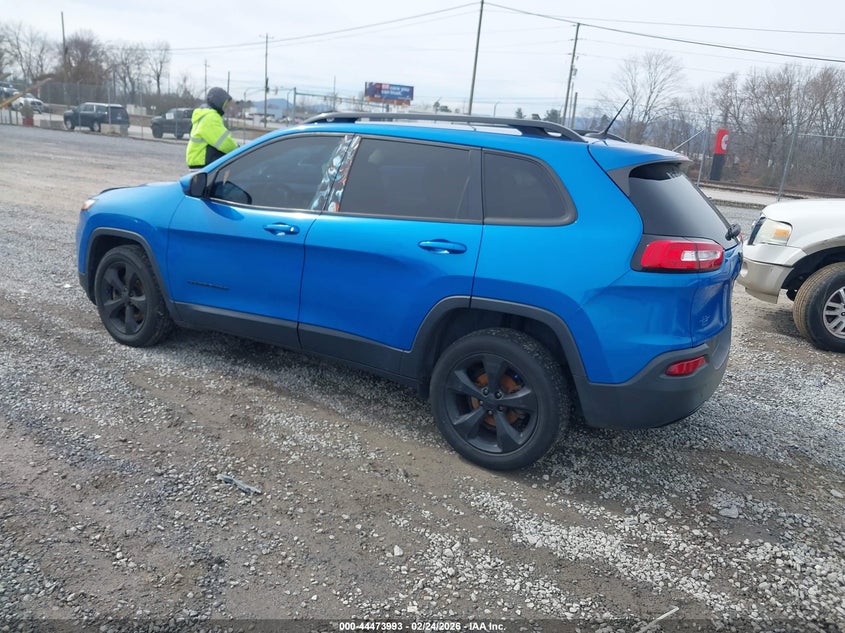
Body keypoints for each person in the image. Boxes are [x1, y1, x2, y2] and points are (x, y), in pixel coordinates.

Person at [185, 87, 239, 168]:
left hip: (197, 161)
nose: (225, 108)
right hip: (203, 163)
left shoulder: (204, 115)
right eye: (225, 105)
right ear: (219, 102)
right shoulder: (211, 117)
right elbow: (224, 143)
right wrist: (238, 150)